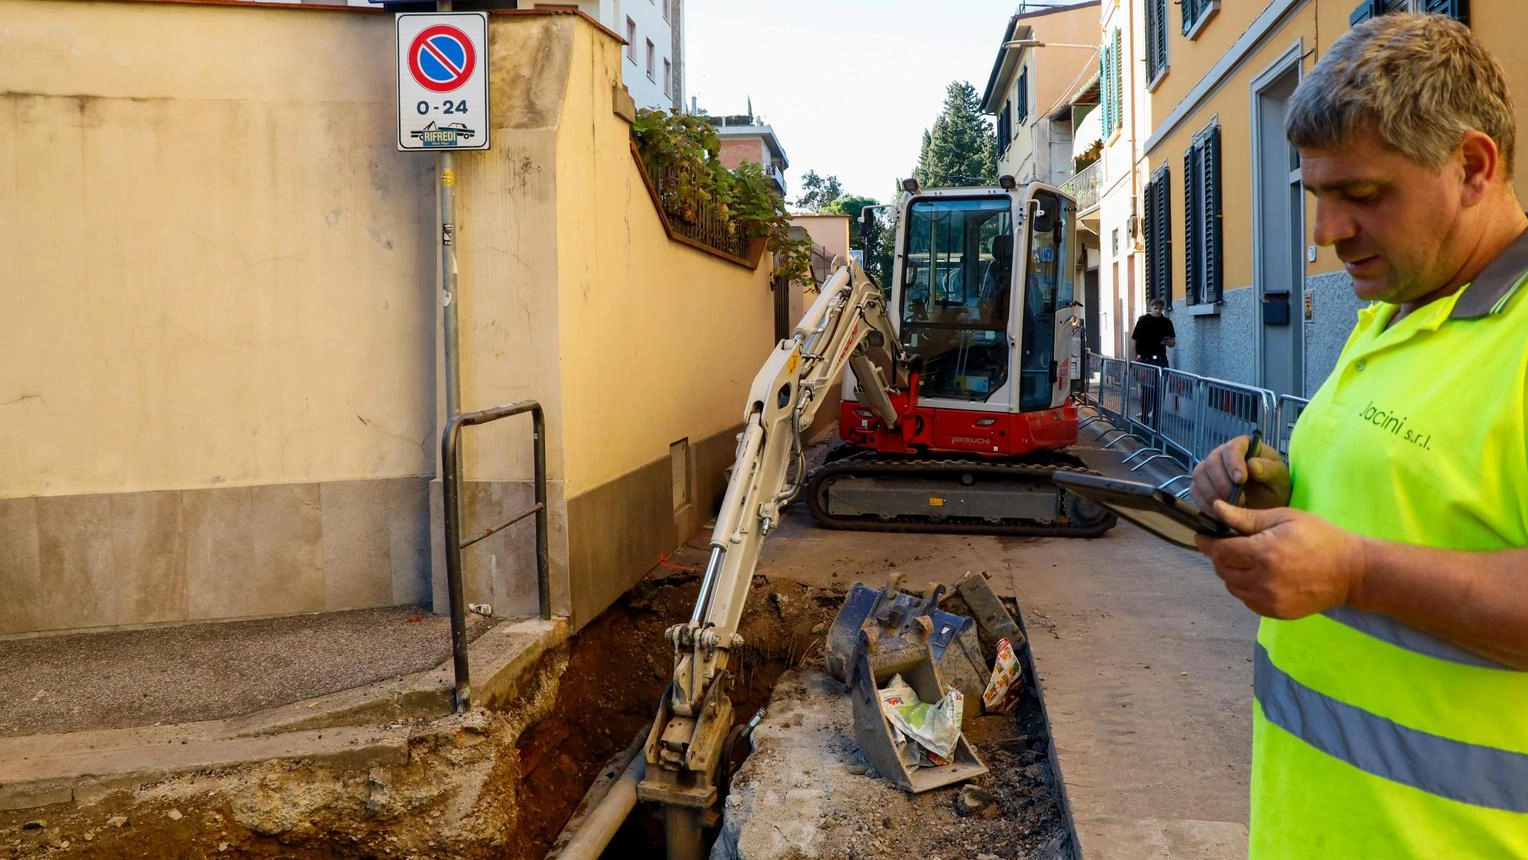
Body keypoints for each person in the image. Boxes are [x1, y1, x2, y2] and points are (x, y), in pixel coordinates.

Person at [1188, 14, 1528, 858]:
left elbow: (1360, 558)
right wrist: (1265, 479)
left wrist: (1356, 572)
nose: (1325, 233)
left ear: (1474, 167)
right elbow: (1395, 491)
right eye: (1316, 195)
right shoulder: (1392, 312)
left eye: (1364, 196)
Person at [1130, 299, 1176, 368]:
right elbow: (1134, 340)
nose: (1158, 310)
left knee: (1163, 378)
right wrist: (1134, 358)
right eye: (1155, 308)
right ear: (1151, 308)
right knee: (1147, 378)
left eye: (1160, 309)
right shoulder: (1143, 320)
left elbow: (1173, 343)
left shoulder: (1167, 322)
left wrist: (1168, 342)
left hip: (1161, 359)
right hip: (1145, 360)